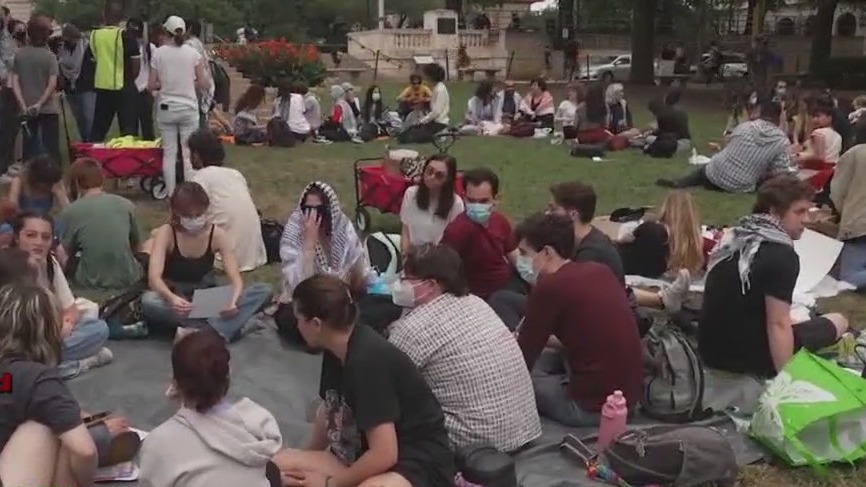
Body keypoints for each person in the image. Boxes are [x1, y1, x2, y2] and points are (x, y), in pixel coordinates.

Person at [272, 274, 456, 487]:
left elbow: (385, 453)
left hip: (413, 459)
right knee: (278, 466)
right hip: (360, 451)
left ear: (315, 323)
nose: (297, 327)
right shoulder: (335, 350)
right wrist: (304, 458)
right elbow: (330, 409)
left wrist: (329, 484)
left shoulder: (367, 361)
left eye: (298, 319)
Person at [388, 244, 541, 452]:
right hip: (523, 430)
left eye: (406, 279)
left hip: (477, 443)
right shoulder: (476, 303)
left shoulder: (414, 328)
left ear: (431, 284)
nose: (399, 285)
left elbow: (386, 382)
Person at [699, 175, 849, 377]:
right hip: (749, 360)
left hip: (711, 351)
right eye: (799, 212)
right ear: (774, 213)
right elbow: (777, 324)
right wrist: (784, 379)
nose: (806, 219)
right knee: (839, 320)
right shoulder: (781, 255)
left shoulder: (737, 238)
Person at [515, 213, 643, 427]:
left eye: (524, 253)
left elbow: (521, 361)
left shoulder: (550, 287)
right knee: (547, 359)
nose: (521, 260)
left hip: (590, 408)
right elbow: (585, 336)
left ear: (546, 252)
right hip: (628, 398)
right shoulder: (599, 271)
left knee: (525, 380)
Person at [139, 328, 283, 487]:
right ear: (228, 373)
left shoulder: (158, 442)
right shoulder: (258, 424)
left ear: (174, 382)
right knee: (271, 471)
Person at [142, 182, 272, 342]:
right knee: (148, 301)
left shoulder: (216, 235)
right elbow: (154, 278)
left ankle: (203, 331)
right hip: (176, 297)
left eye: (199, 214)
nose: (195, 220)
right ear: (176, 212)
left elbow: (235, 278)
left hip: (206, 297)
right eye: (189, 216)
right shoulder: (167, 233)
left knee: (263, 290)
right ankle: (224, 328)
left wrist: (232, 301)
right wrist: (172, 299)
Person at [0, 283, 98, 487]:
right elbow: (84, 450)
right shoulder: (37, 378)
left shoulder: (12, 375)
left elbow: (7, 389)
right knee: (57, 430)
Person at [12, 212, 113, 379]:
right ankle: (76, 365)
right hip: (17, 344)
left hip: (51, 338)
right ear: (16, 237)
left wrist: (65, 327)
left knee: (98, 328)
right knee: (21, 367)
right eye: (31, 236)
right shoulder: (7, 268)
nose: (38, 243)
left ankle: (43, 369)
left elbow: (70, 308)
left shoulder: (50, 263)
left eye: (45, 237)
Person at [657, 100, 796, 193]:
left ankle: (681, 183)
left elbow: (729, 147)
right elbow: (781, 174)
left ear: (761, 113)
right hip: (740, 186)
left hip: (714, 176)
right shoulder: (781, 141)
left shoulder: (744, 127)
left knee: (704, 170)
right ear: (778, 117)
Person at [57, 158, 142, 289]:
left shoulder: (72, 211)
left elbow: (66, 249)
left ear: (76, 183)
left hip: (89, 278)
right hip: (128, 276)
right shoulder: (126, 204)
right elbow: (136, 245)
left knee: (58, 247)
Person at [188, 129, 267, 272]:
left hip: (224, 259)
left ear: (197, 154)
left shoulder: (200, 178)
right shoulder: (235, 174)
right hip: (255, 255)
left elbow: (190, 221)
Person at [150, 16, 210, 195]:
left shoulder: (158, 53)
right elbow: (205, 83)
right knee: (187, 153)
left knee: (169, 153)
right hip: (188, 108)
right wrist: (189, 84)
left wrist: (164, 85)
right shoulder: (193, 54)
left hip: (166, 107)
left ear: (166, 31)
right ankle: (190, 193)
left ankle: (170, 194)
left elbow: (151, 85)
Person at [440, 168, 518, 300]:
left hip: (507, 284)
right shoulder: (457, 230)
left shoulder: (500, 221)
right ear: (464, 197)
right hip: (478, 296)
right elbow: (444, 269)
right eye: (471, 200)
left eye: (483, 201)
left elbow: (512, 252)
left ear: (496, 199)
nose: (476, 206)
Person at [617, 190, 704, 279]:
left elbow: (623, 240)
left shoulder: (653, 231)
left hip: (622, 269)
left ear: (666, 208)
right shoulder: (693, 241)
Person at [11, 19, 60, 162]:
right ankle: (54, 179)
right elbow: (52, 84)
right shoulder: (50, 57)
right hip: (48, 108)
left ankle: (29, 178)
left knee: (29, 147)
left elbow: (15, 82)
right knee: (51, 148)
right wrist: (40, 103)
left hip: (26, 107)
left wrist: (22, 104)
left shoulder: (20, 55)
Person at [89, 2, 140, 141]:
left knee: (98, 131)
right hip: (124, 86)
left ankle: (94, 158)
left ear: (104, 15)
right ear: (122, 17)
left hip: (103, 87)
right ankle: (128, 160)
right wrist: (129, 80)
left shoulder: (94, 36)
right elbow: (136, 66)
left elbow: (94, 60)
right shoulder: (127, 36)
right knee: (128, 131)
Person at [399, 155, 464, 256]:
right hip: (413, 255)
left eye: (439, 175)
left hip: (438, 258)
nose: (432, 177)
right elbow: (405, 229)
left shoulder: (456, 204)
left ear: (448, 179)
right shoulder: (411, 194)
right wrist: (405, 255)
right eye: (429, 171)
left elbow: (455, 241)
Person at [832, 144, 866, 290]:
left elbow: (837, 192)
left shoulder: (856, 154)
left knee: (848, 279)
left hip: (858, 224)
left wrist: (846, 212)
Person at [58, 24, 96, 142]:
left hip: (86, 87)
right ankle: (85, 141)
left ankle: (92, 142)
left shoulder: (87, 48)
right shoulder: (60, 49)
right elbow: (60, 65)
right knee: (79, 118)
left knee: (89, 118)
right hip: (70, 89)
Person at [125, 18, 156, 140]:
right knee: (130, 129)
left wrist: (151, 88)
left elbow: (155, 67)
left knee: (147, 126)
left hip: (145, 91)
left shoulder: (149, 48)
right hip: (129, 91)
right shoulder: (124, 46)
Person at [401, 63, 449, 142]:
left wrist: (422, 121)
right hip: (432, 121)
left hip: (438, 122)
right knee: (405, 135)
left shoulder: (440, 90)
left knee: (410, 137)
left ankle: (440, 134)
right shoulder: (437, 88)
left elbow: (436, 112)